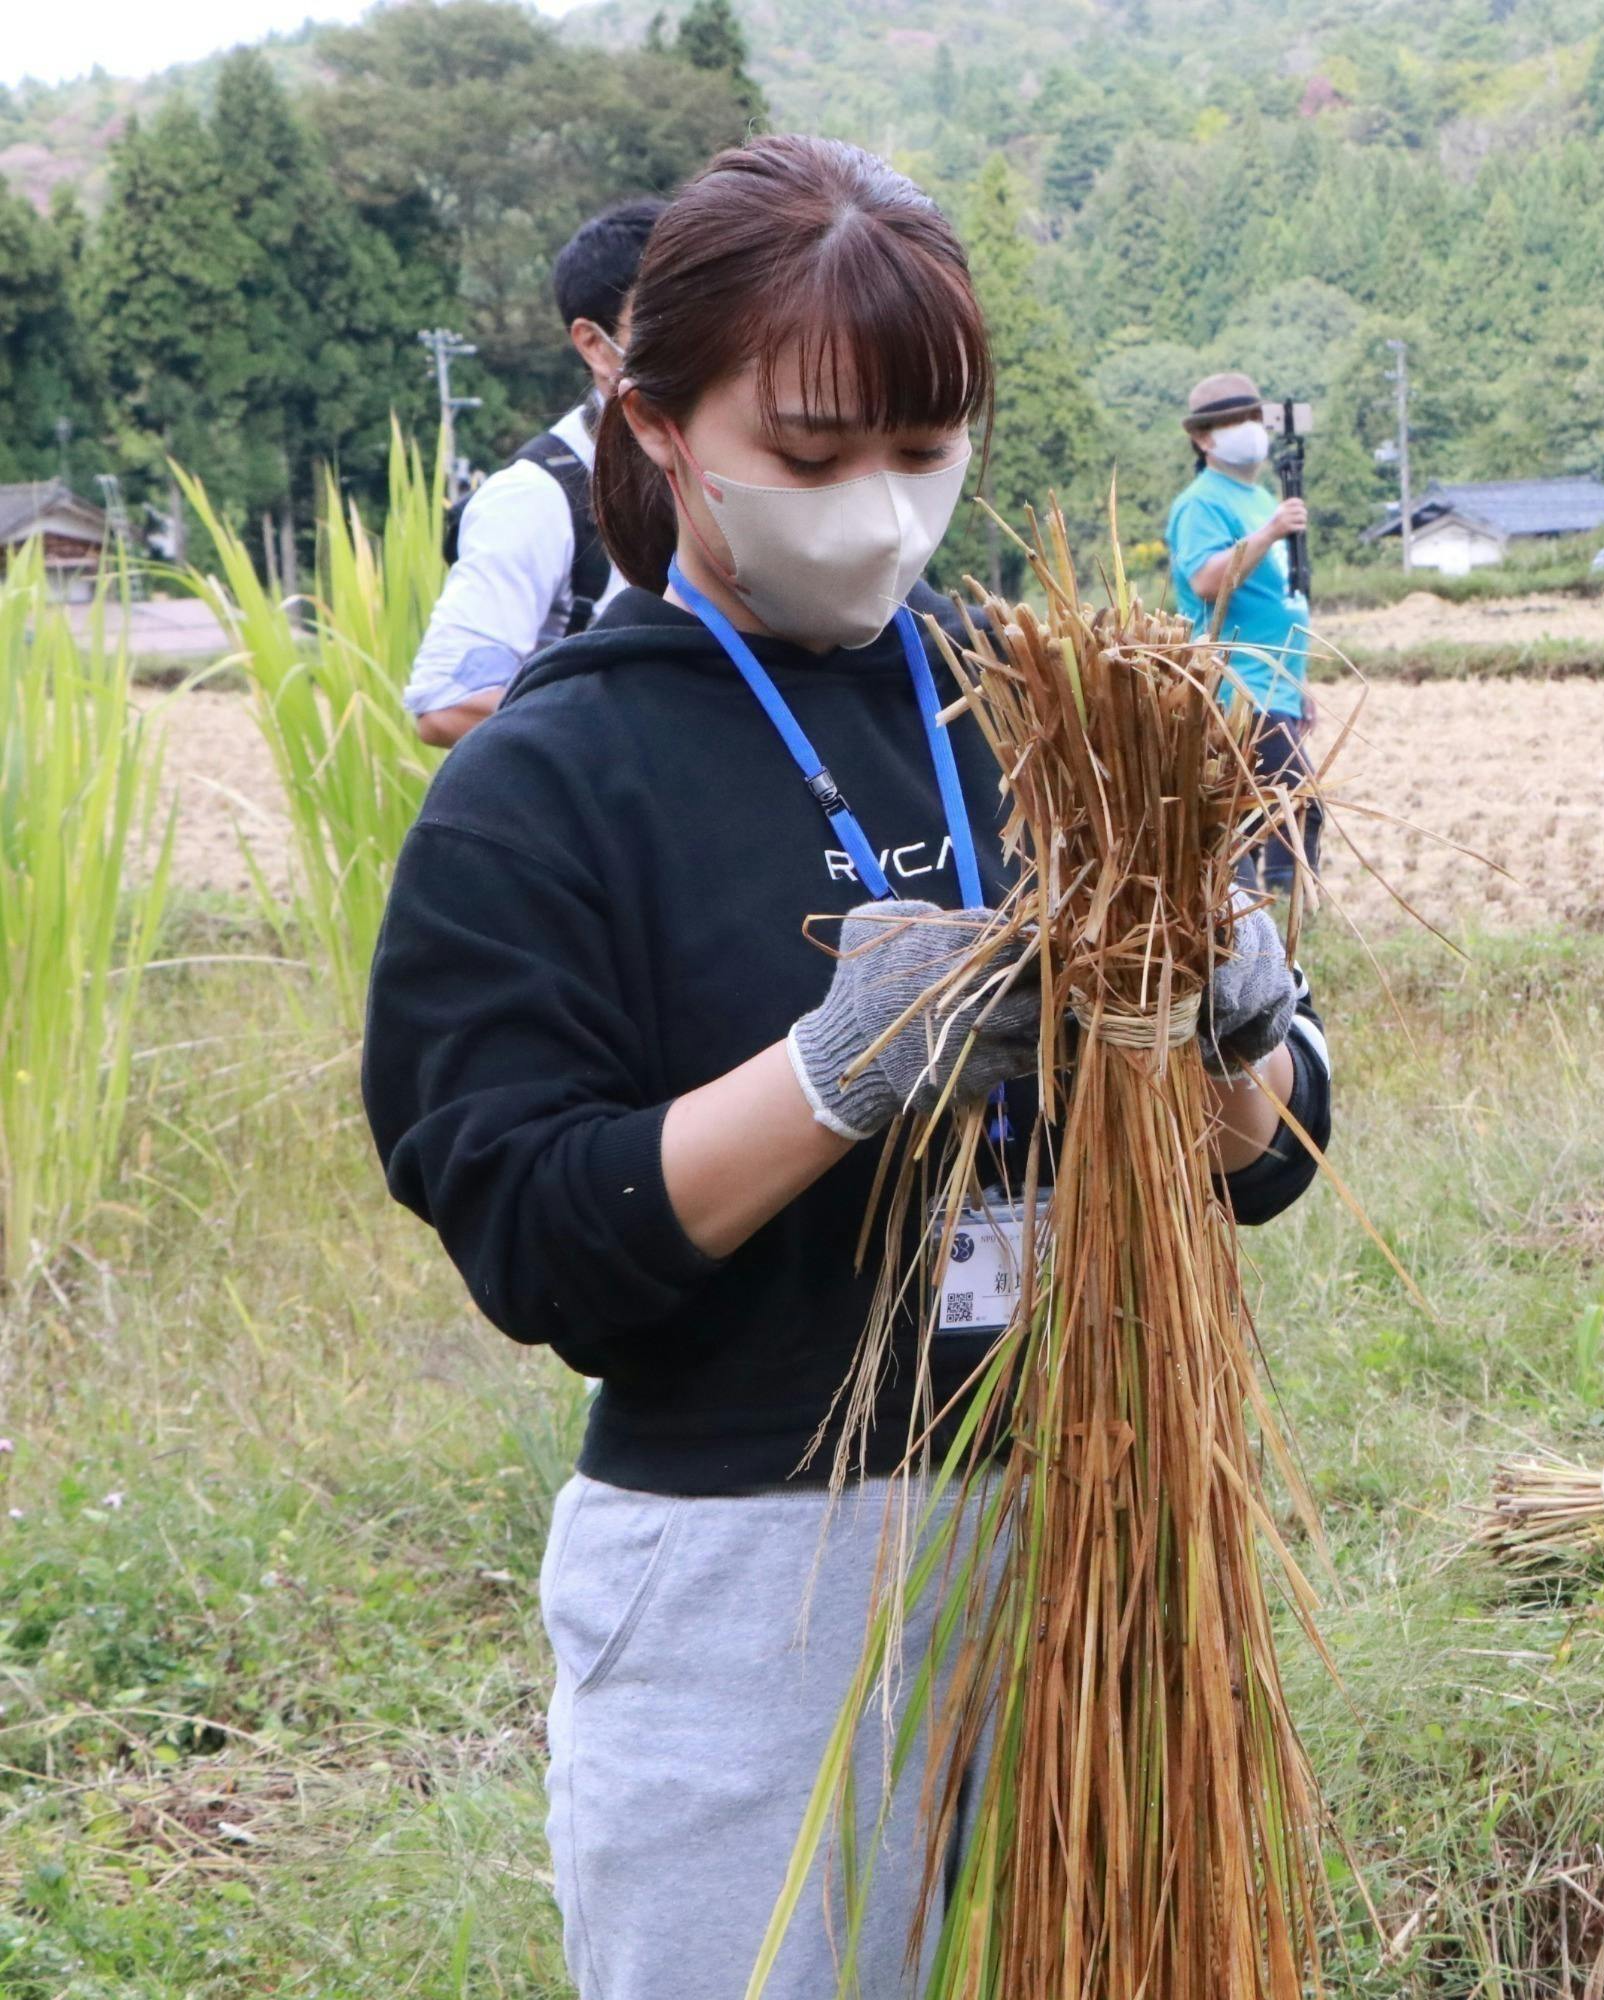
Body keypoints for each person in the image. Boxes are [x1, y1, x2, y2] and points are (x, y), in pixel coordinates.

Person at [359, 136, 1334, 2000]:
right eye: (811, 457)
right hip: (752, 1575)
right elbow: (534, 1235)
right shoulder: (549, 782)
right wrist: (835, 1070)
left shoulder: (1047, 712)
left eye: (924, 448)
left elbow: (1261, 1160)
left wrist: (1233, 1029)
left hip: (1094, 1521)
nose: (876, 509)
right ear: (653, 425)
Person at [403, 198, 663, 747]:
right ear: (595, 344)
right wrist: (648, 730)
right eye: (664, 316)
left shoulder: (730, 465)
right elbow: (446, 702)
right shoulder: (537, 498)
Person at [1165, 372, 1320, 896]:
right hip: (1237, 687)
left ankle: (1254, 918)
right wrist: (1273, 531)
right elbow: (1208, 581)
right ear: (1203, 438)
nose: (1249, 430)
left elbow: (1275, 604)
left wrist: (1299, 683)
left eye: (1253, 418)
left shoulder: (1255, 498)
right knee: (1298, 802)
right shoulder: (1201, 503)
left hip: (1274, 683)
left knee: (1256, 815)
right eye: (1233, 422)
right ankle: (1285, 911)